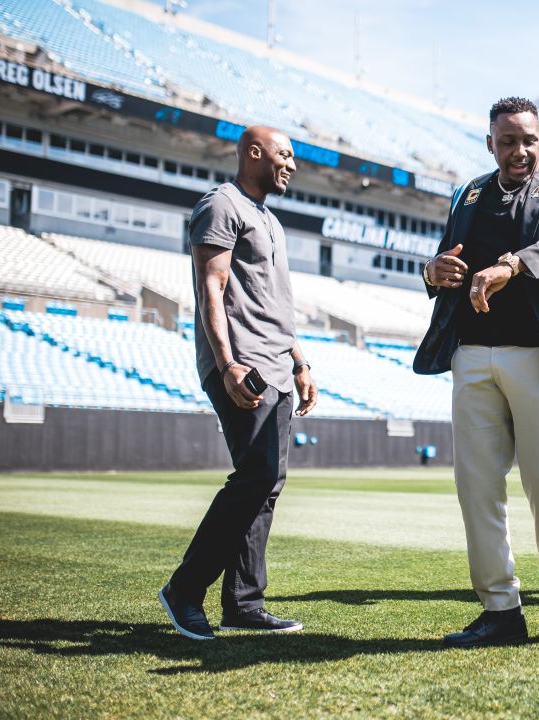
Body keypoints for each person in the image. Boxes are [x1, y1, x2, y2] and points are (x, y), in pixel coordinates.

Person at [415, 97, 539, 653]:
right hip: (471, 352)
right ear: (490, 144)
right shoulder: (468, 192)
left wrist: (514, 264)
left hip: (538, 352)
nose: (519, 151)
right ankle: (499, 609)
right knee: (475, 486)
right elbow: (441, 263)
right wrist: (433, 272)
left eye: (528, 140)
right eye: (508, 141)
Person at [158, 125, 319, 640]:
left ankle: (244, 603)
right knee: (256, 476)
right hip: (242, 364)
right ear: (254, 153)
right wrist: (226, 364)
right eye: (284, 154)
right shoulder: (221, 204)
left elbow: (275, 304)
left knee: (267, 484)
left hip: (275, 363)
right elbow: (213, 286)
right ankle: (185, 589)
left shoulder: (268, 218)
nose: (291, 164)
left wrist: (299, 359)